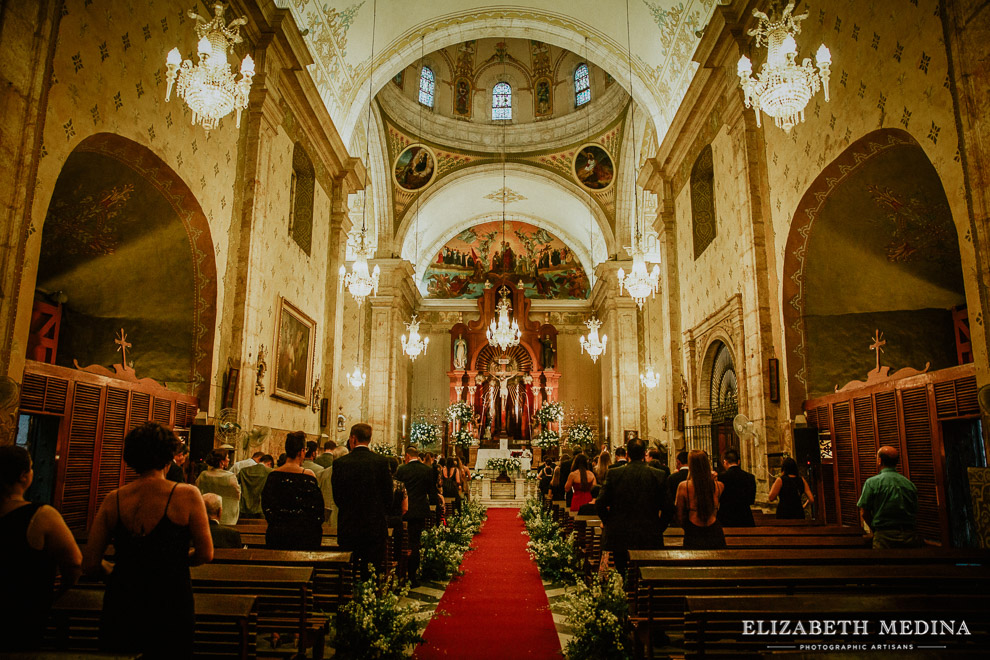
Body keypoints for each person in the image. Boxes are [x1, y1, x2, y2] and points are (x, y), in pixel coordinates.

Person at [83, 422, 213, 658]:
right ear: (169, 455)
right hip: (171, 599)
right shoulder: (187, 495)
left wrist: (117, 572)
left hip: (123, 601)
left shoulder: (114, 499)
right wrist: (175, 562)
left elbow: (91, 563)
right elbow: (206, 553)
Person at [1, 445, 82, 651]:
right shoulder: (42, 515)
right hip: (23, 614)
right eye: (30, 467)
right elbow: (74, 563)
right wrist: (58, 593)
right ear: (23, 476)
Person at [596, 438, 673, 577]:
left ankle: (624, 597)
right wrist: (658, 527)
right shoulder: (658, 475)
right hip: (649, 533)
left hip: (620, 533)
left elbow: (600, 503)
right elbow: (668, 507)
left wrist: (610, 523)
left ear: (627, 454)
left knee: (622, 574)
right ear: (644, 453)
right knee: (647, 575)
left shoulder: (614, 474)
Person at [331, 424, 393, 578]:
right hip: (374, 527)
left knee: (348, 572)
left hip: (349, 525)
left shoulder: (341, 463)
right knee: (371, 572)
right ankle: (368, 600)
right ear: (369, 439)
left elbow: (337, 496)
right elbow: (388, 496)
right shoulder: (381, 462)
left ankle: (348, 599)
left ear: (353, 438)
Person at [262, 431, 324, 550]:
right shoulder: (308, 476)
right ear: (302, 451)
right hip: (304, 537)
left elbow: (266, 505)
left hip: (277, 535)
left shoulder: (273, 475)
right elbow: (317, 510)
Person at [857, 446, 921, 548]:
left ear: (880, 461)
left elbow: (864, 512)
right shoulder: (909, 484)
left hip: (884, 536)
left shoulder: (872, 483)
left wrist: (874, 529)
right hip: (909, 535)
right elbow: (915, 510)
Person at [395, 446, 440, 587]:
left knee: (400, 541)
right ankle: (413, 577)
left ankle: (398, 574)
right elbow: (431, 491)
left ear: (407, 456)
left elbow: (398, 490)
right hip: (419, 510)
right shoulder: (427, 470)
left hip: (403, 511)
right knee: (415, 543)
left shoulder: (401, 469)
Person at [675, 450, 726, 549]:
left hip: (693, 529)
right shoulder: (719, 486)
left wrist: (686, 527)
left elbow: (679, 515)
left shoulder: (684, 486)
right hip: (714, 528)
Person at [195, 449, 241, 525]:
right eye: (227, 457)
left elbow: (197, 489)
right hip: (227, 513)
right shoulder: (230, 476)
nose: (229, 460)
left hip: (207, 511)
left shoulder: (204, 475)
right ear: (222, 461)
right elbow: (237, 493)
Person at [717, 448, 756, 527]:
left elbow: (718, 498)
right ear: (738, 462)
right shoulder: (750, 477)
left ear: (725, 462)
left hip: (726, 516)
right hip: (745, 516)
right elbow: (751, 500)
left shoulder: (721, 477)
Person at [236, 454, 272, 519]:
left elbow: (234, 483)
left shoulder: (244, 471)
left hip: (244, 508)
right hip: (260, 508)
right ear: (269, 463)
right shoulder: (269, 472)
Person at [385, 456, 408, 533]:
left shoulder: (378, 484)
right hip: (396, 519)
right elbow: (405, 508)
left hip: (382, 521)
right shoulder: (400, 485)